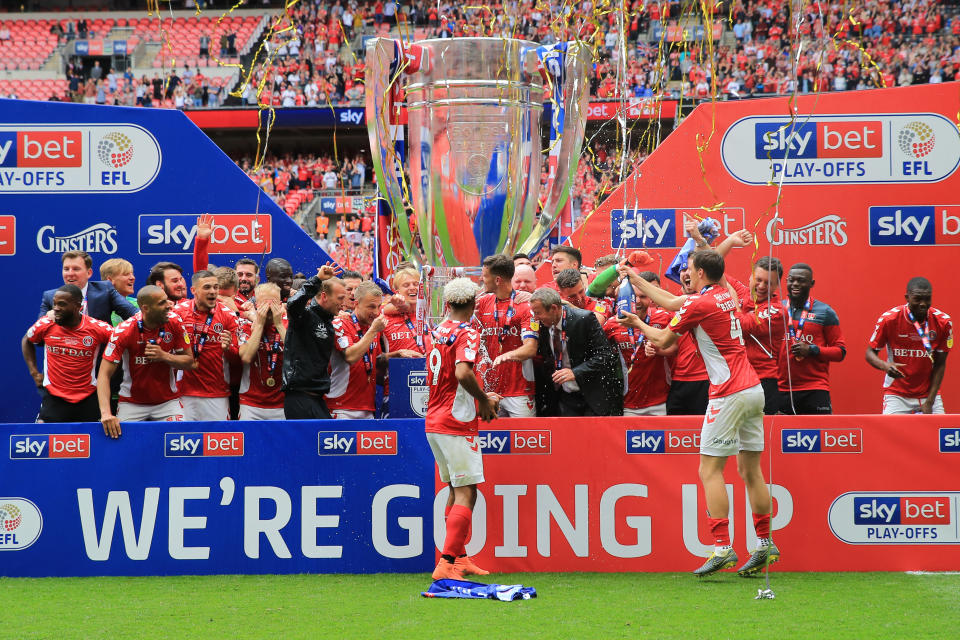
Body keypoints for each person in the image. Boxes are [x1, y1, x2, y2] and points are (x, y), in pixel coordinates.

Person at [620, 249, 778, 577]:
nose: (685, 274)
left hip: (728, 393)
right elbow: (674, 302)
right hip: (753, 390)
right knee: (752, 472)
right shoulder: (724, 295)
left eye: (689, 269)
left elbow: (664, 336)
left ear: (702, 273)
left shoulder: (700, 302)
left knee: (710, 471)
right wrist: (634, 278)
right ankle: (764, 543)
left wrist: (638, 323)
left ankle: (722, 547)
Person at [426, 277, 498, 581]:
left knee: (460, 490)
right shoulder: (467, 332)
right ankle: (446, 563)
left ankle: (460, 558)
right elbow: (462, 372)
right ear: (473, 303)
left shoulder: (438, 329)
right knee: (467, 492)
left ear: (448, 303)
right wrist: (483, 399)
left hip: (435, 419)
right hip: (455, 422)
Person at [98, 286, 194, 436]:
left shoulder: (174, 322)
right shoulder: (124, 331)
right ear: (146, 308)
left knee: (180, 443)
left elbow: (190, 362)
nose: (169, 305)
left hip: (168, 402)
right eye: (162, 303)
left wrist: (164, 356)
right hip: (131, 403)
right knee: (122, 445)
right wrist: (106, 414)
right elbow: (104, 375)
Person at [23, 284, 114, 422]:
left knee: (93, 441)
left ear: (79, 306)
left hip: (87, 396)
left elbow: (120, 342)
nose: (56, 308)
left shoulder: (97, 328)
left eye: (62, 304)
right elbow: (27, 340)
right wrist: (34, 372)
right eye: (54, 304)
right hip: (54, 397)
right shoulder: (46, 324)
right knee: (47, 441)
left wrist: (109, 371)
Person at [529, 287, 622, 416]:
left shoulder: (584, 319)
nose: (535, 317)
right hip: (563, 397)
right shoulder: (543, 325)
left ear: (554, 308)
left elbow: (605, 355)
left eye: (538, 313)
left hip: (592, 396)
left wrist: (575, 372)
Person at [866, 277, 952, 414]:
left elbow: (940, 364)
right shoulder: (890, 320)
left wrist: (929, 402)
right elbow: (870, 353)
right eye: (917, 299)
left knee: (936, 434)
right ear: (907, 297)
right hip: (897, 394)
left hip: (929, 395)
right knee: (889, 434)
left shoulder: (943, 322)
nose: (923, 304)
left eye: (927, 299)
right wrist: (885, 365)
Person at [476, 255, 539, 417]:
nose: (482, 280)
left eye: (485, 276)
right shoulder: (483, 303)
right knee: (490, 440)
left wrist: (507, 355)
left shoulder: (524, 306)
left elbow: (530, 348)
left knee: (525, 440)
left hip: (519, 391)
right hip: (489, 390)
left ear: (497, 280)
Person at [173, 270, 241, 421]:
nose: (213, 292)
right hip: (182, 392)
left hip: (216, 393)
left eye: (215, 287)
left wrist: (228, 348)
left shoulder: (228, 315)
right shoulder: (177, 313)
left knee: (217, 441)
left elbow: (238, 359)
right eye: (207, 287)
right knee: (182, 441)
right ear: (193, 290)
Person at [779, 263, 846, 414]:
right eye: (791, 280)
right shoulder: (777, 309)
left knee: (819, 436)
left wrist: (812, 349)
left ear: (811, 283)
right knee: (777, 437)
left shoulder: (825, 312)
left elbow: (840, 352)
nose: (795, 284)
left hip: (814, 389)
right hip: (781, 389)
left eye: (801, 280)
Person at [606, 270, 676, 415]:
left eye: (642, 296)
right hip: (628, 402)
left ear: (650, 299)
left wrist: (658, 350)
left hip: (660, 399)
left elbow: (675, 348)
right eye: (633, 297)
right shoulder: (613, 324)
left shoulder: (664, 317)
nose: (637, 301)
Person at [283, 265, 342, 419]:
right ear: (324, 296)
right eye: (340, 298)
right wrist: (317, 279)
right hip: (300, 397)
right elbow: (293, 304)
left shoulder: (327, 320)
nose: (344, 303)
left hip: (316, 398)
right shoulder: (305, 316)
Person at [328, 282, 387, 419]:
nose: (376, 312)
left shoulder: (373, 327)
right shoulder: (340, 323)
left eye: (379, 307)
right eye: (371, 307)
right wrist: (373, 331)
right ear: (356, 304)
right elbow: (350, 357)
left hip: (368, 407)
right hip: (341, 407)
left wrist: (397, 355)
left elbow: (375, 360)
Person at [738, 257, 786, 415]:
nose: (762, 286)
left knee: (762, 437)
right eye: (758, 279)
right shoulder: (740, 293)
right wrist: (700, 241)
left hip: (763, 381)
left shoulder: (778, 311)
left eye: (769, 283)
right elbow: (713, 271)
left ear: (776, 286)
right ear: (750, 276)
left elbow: (742, 325)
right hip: (734, 380)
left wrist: (729, 302)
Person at [39, 251, 137, 324]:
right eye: (66, 269)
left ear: (89, 273)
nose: (70, 273)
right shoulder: (50, 296)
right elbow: (37, 339)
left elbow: (133, 314)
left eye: (76, 269)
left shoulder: (105, 290)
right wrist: (47, 321)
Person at [238, 283, 287, 420]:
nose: (269, 307)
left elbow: (297, 357)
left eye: (273, 302)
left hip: (282, 402)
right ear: (256, 303)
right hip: (251, 402)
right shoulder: (246, 324)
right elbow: (246, 357)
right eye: (265, 303)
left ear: (281, 303)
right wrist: (259, 324)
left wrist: (279, 325)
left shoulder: (289, 324)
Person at [99, 258, 138, 326]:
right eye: (126, 274)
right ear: (110, 280)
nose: (132, 278)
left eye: (132, 274)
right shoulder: (94, 306)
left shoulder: (139, 304)